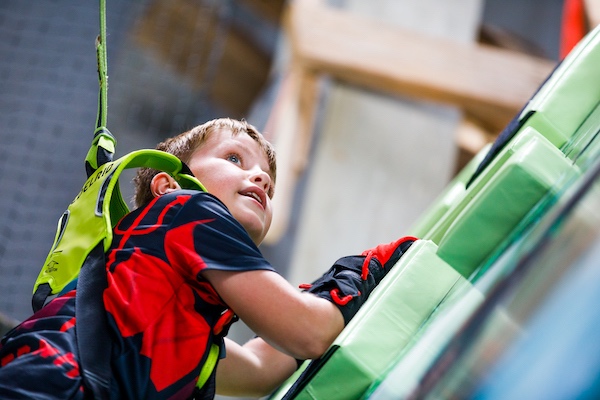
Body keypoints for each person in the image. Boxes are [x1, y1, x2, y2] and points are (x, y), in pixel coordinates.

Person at [0, 118, 415, 399]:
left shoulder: (171, 316)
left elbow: (258, 367)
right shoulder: (188, 209)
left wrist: (319, 291)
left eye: (269, 185)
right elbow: (306, 332)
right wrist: (363, 272)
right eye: (234, 159)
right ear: (168, 185)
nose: (262, 179)